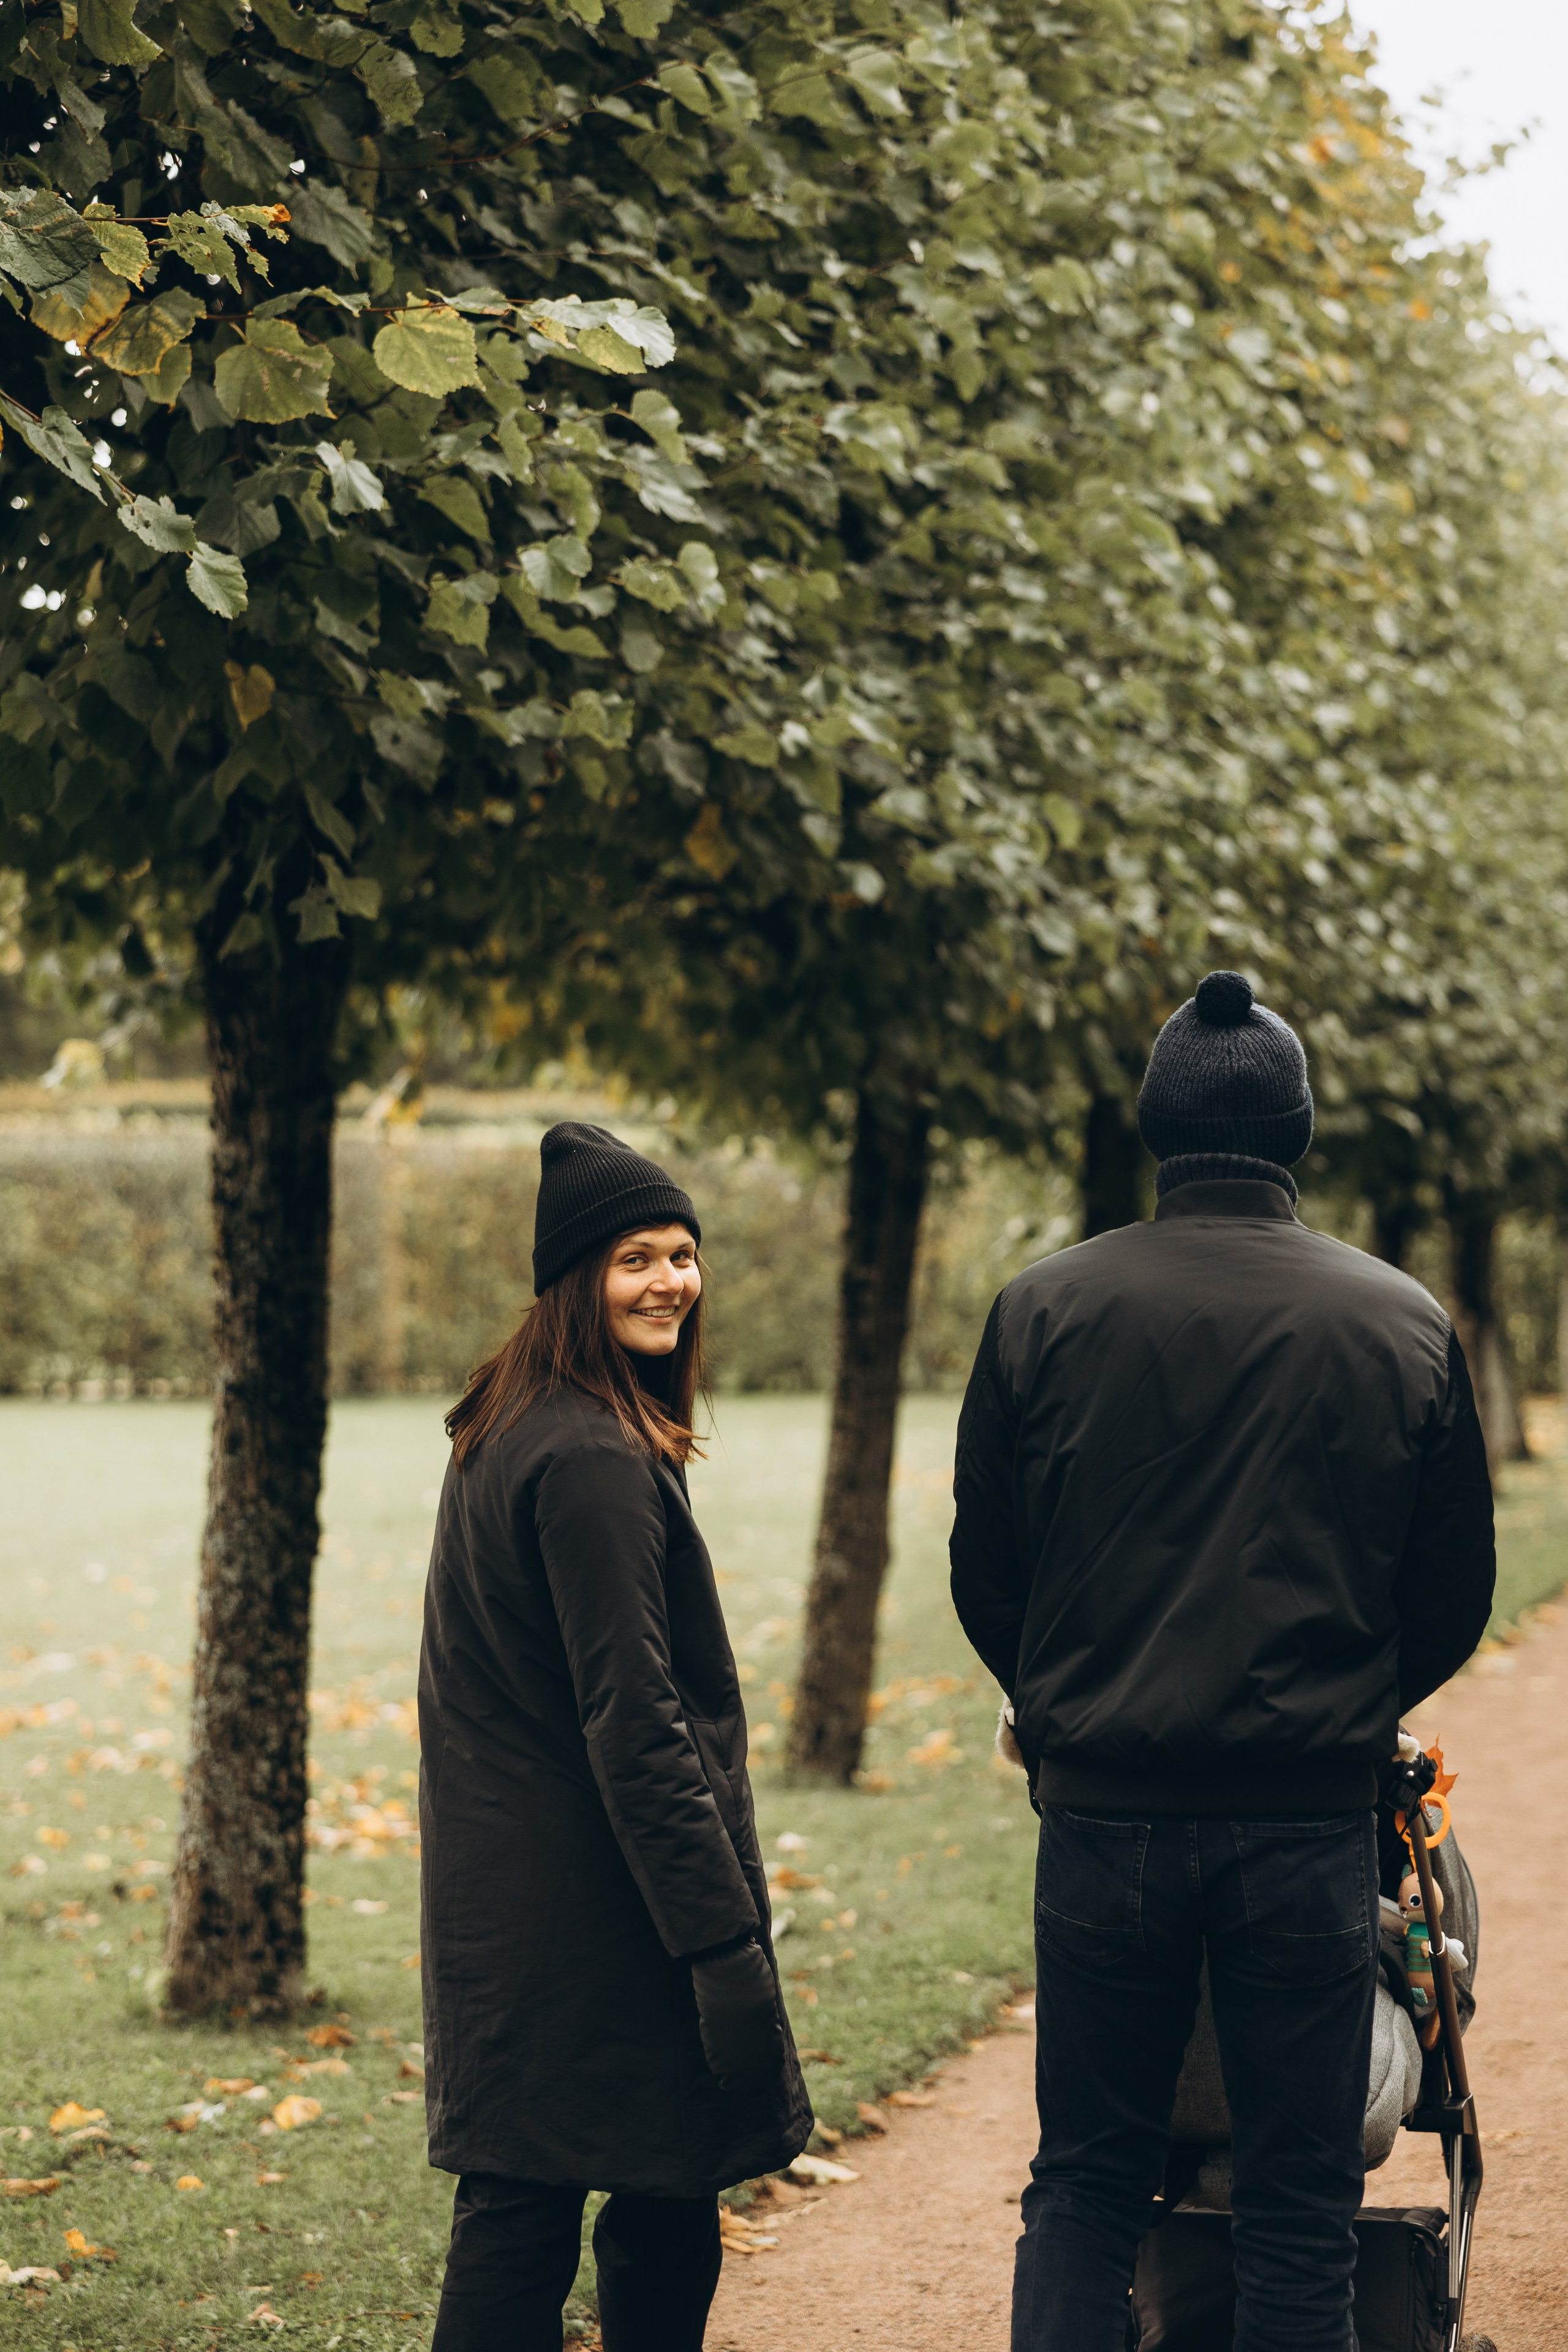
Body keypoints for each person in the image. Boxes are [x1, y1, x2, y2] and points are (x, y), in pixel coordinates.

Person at [949, 971, 1496, 2352]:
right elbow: (1449, 1592)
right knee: (1297, 2197)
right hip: (1305, 1821)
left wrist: (1062, 1716)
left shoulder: (1039, 1309)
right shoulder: (1400, 1320)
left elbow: (985, 1569)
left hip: (1102, 1816)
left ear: (1154, 1127)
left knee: (1080, 2178)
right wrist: (1346, 1709)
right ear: (1293, 1131)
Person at [419, 1121, 811, 2352]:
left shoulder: (517, 1415)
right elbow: (633, 1719)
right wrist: (719, 1939)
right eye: (635, 1257)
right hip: (600, 1909)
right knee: (642, 2199)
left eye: (683, 1254)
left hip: (518, 1898)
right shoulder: (588, 1450)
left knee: (530, 2204)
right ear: (574, 1280)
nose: (670, 1281)